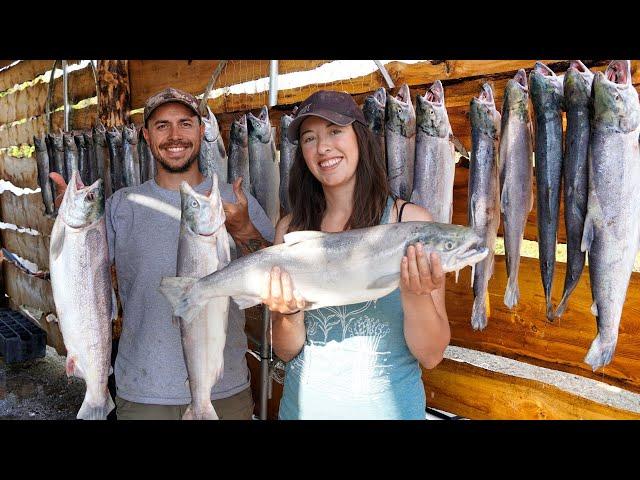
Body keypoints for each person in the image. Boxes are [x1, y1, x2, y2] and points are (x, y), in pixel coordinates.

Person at [50, 87, 274, 420]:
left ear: (201, 130)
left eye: (185, 123)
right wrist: (72, 231)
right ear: (146, 136)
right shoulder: (120, 206)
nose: (174, 135)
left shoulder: (234, 201)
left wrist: (244, 231)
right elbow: (79, 280)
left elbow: (275, 283)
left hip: (222, 391)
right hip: (143, 394)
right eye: (161, 125)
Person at [262, 90, 450, 420]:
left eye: (335, 131)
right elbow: (285, 349)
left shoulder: (411, 223)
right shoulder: (291, 231)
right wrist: (287, 315)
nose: (322, 147)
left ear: (360, 138)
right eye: (309, 138)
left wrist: (416, 295)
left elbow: (431, 355)